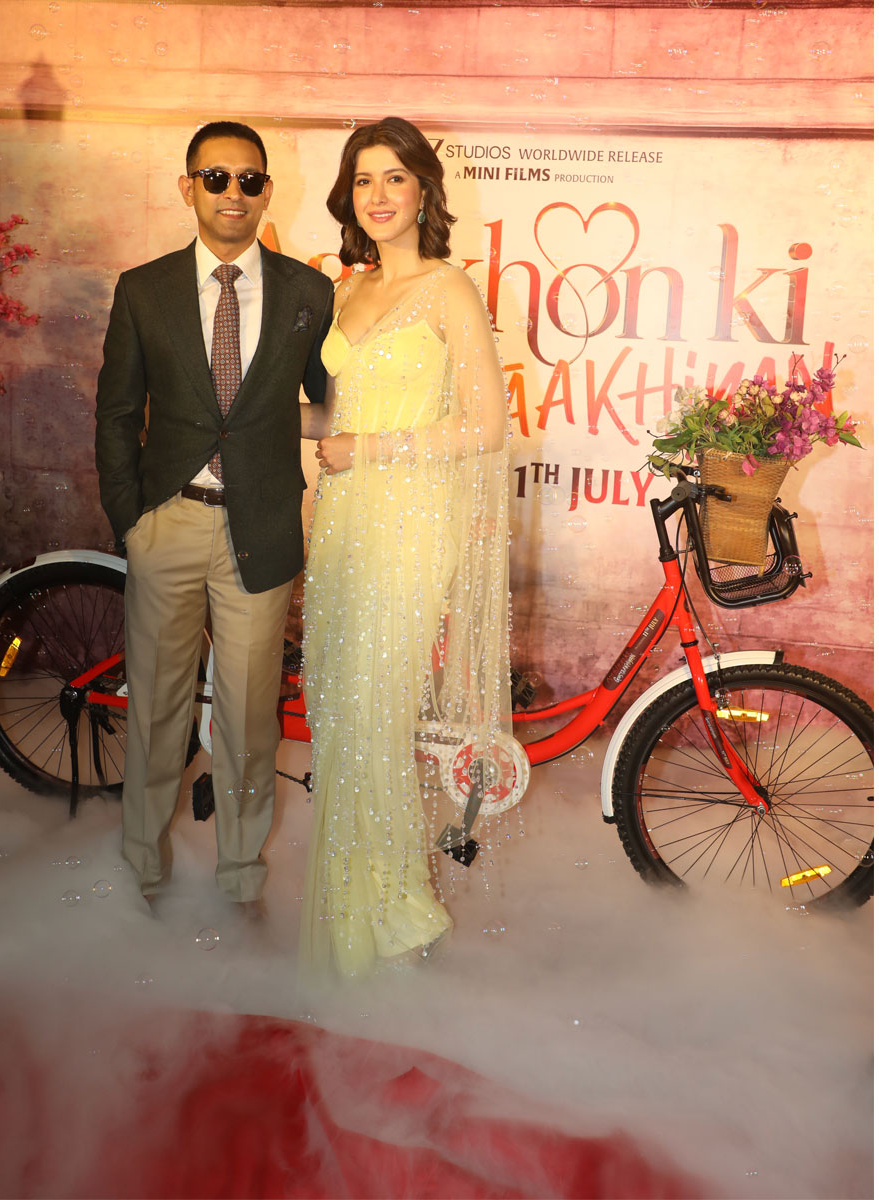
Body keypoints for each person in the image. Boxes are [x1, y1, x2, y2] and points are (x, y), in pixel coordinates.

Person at [95, 120, 336, 919]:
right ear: (188, 187)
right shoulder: (144, 289)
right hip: (167, 521)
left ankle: (241, 873)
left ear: (267, 191)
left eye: (250, 179)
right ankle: (141, 864)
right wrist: (130, 518)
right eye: (216, 177)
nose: (234, 193)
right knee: (157, 707)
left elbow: (329, 400)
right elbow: (116, 413)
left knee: (248, 715)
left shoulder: (308, 293)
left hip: (260, 528)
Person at [297, 117, 513, 979]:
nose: (378, 195)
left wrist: (371, 449)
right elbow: (334, 418)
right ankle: (374, 904)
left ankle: (390, 920)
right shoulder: (345, 289)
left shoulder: (447, 288)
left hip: (410, 526)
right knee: (336, 715)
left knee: (371, 719)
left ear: (424, 190)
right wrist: (233, 418)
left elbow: (486, 428)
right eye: (363, 180)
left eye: (395, 177)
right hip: (342, 524)